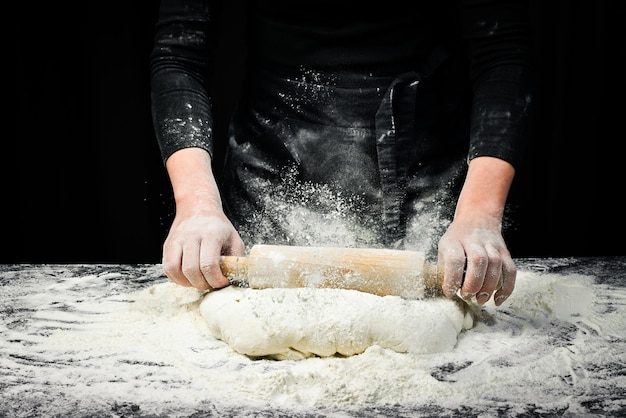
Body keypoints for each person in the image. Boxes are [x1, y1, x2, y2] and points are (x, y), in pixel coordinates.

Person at [150, 0, 534, 306]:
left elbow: (502, 53)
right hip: (273, 170)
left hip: (428, 176)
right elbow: (180, 56)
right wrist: (197, 206)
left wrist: (479, 214)